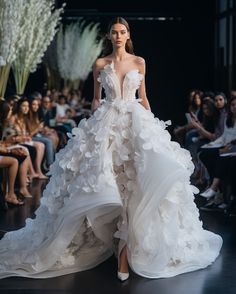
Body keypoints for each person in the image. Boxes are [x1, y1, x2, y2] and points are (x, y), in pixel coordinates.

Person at [0, 17, 222, 281]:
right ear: (109, 36)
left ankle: (126, 249)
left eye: (122, 31)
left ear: (128, 35)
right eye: (114, 32)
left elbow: (144, 96)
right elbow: (96, 99)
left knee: (135, 182)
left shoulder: (139, 62)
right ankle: (114, 243)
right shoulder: (100, 64)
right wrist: (91, 132)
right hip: (106, 122)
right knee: (108, 182)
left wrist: (155, 129)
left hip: (134, 123)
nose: (118, 36)